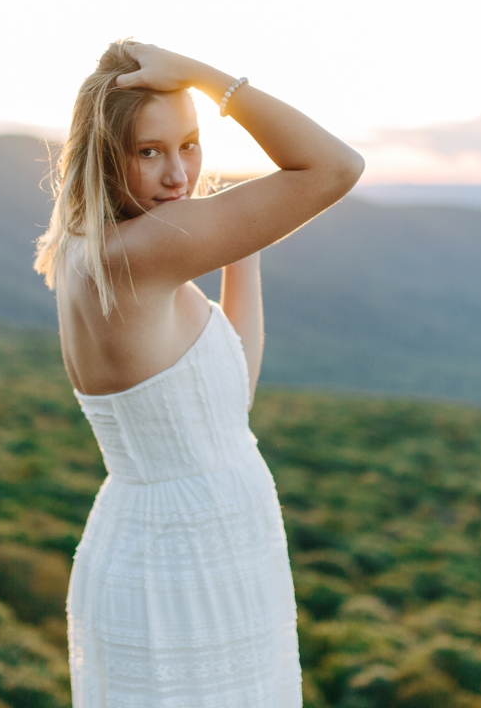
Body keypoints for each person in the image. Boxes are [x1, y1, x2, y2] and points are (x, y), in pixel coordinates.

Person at [34, 40, 364, 707]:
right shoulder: (143, 251)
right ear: (105, 155)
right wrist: (211, 80)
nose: (178, 173)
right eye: (149, 152)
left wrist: (240, 244)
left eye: (189, 143)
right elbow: (335, 166)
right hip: (184, 560)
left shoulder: (93, 248)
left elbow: (228, 395)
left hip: (185, 538)